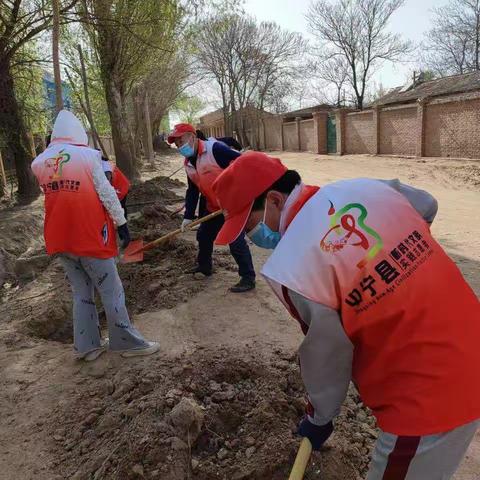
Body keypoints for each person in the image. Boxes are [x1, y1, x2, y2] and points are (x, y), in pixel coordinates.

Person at [212, 151, 480, 480]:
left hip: (429, 394)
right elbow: (426, 204)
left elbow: (328, 353)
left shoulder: (292, 268)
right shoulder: (365, 189)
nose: (252, 236)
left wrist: (319, 417)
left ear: (274, 200)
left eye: (249, 224)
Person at [31, 110, 159, 361]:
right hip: (89, 235)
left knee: (81, 292)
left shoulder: (39, 163)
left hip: (59, 239)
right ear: (78, 133)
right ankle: (126, 342)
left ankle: (87, 346)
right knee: (111, 289)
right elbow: (107, 193)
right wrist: (121, 223)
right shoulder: (88, 156)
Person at [167, 123, 255, 293]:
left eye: (181, 140)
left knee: (235, 241)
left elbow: (243, 164)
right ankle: (204, 267)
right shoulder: (188, 164)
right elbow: (192, 190)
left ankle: (248, 277)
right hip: (214, 205)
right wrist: (188, 216)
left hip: (233, 205)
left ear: (192, 136)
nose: (179, 146)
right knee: (204, 235)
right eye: (176, 143)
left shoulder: (214, 150)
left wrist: (238, 194)